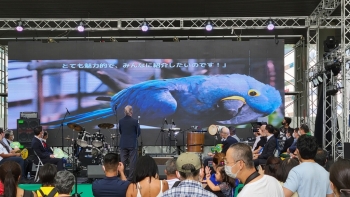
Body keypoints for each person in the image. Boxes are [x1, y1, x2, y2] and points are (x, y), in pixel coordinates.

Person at [119, 105, 140, 180]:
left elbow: (120, 131)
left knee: (122, 161)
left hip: (123, 143)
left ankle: (122, 177)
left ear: (124, 112)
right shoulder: (135, 121)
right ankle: (131, 178)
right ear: (132, 112)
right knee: (132, 162)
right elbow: (138, 132)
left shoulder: (121, 121)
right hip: (132, 144)